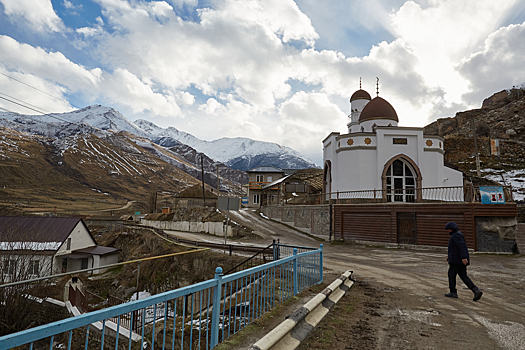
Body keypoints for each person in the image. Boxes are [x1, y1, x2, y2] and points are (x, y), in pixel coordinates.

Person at [445, 221, 483, 301]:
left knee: (451, 275)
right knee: (463, 276)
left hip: (457, 261)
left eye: (448, 229)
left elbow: (462, 247)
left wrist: (464, 258)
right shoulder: (456, 235)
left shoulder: (457, 235)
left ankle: (453, 292)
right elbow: (454, 249)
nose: (447, 231)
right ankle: (475, 290)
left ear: (452, 229)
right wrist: (450, 256)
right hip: (457, 259)